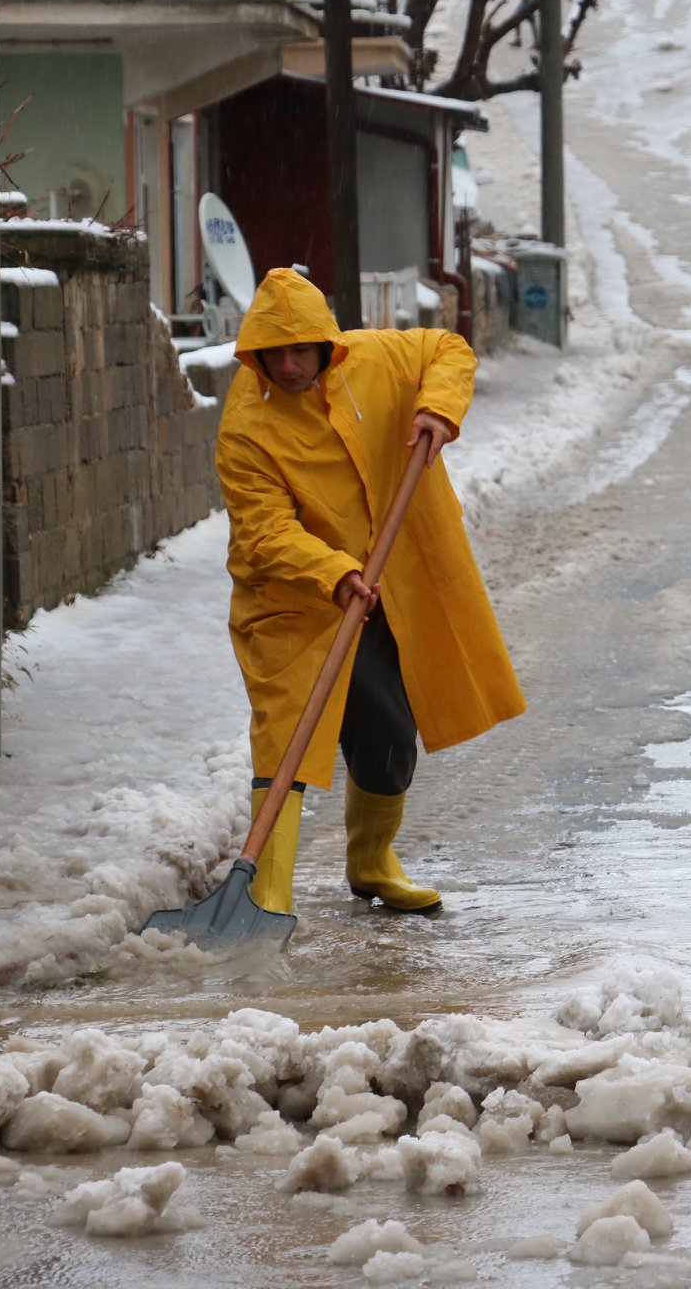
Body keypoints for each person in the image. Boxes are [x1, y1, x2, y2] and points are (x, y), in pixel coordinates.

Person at [216, 267, 525, 916]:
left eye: (303, 350)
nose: (291, 364)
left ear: (327, 344)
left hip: (385, 584)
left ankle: (372, 860)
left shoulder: (376, 361)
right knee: (287, 738)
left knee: (387, 729)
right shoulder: (247, 426)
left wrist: (437, 406)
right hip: (294, 599)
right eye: (277, 352)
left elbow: (449, 348)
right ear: (256, 351)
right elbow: (264, 530)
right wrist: (332, 571)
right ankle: (265, 895)